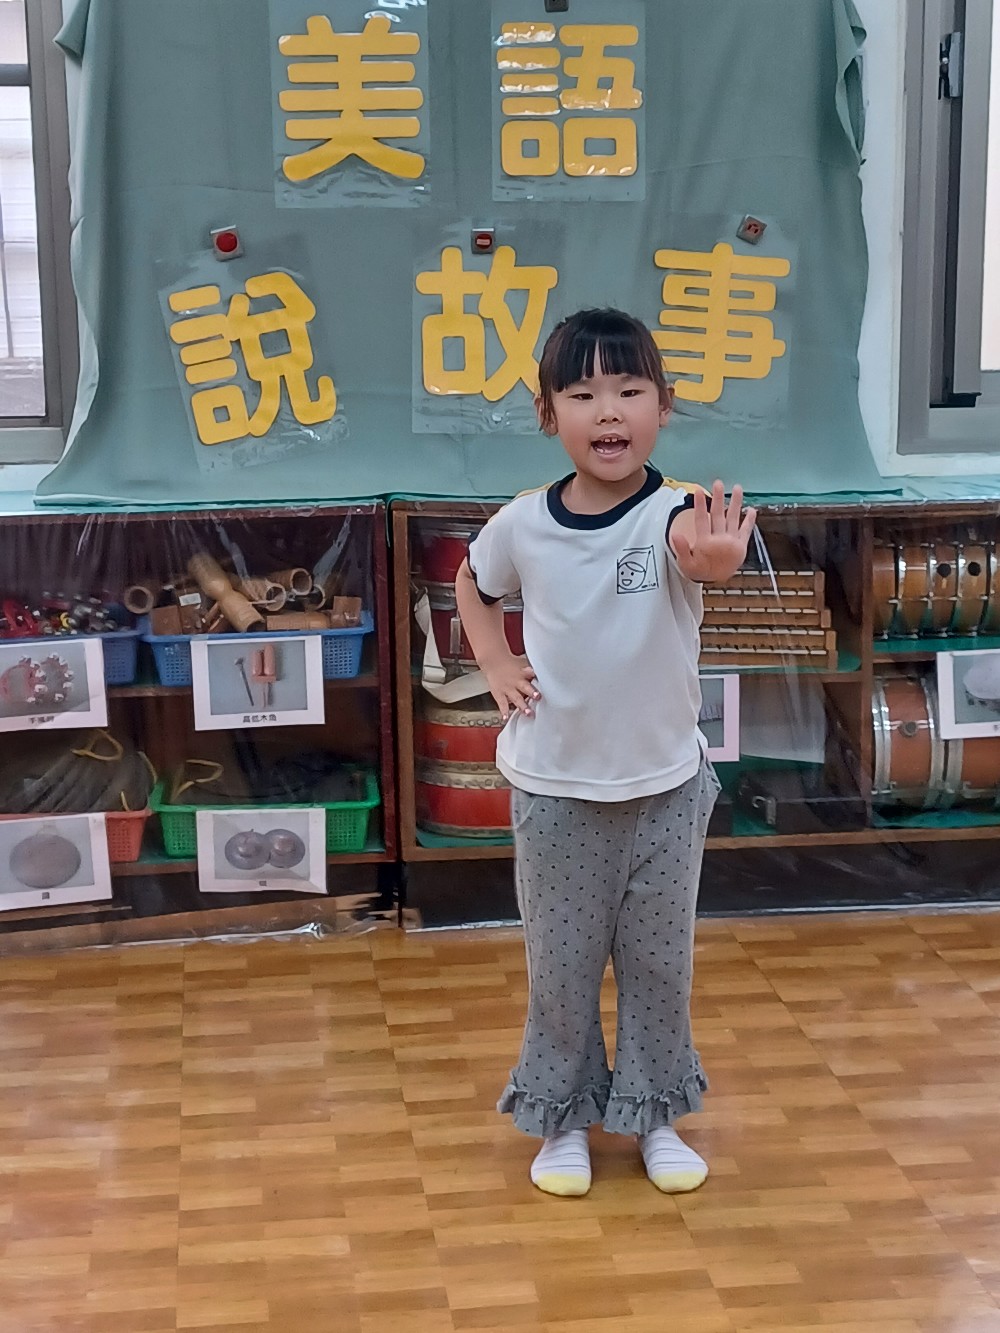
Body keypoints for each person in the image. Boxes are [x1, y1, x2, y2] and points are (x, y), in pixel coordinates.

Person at [454, 307, 757, 1197]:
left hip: (667, 790)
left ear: (663, 405)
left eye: (629, 390)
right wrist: (495, 660)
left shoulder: (674, 513)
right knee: (562, 968)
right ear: (549, 413)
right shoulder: (523, 523)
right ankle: (563, 1121)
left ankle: (656, 1115)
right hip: (555, 792)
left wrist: (713, 562)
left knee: (661, 968)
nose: (609, 410)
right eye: (583, 393)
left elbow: (696, 553)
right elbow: (472, 581)